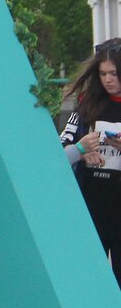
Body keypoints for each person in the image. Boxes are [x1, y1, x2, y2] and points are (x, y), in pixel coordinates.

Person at [59, 39, 121, 286]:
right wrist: (80, 150)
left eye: (114, 74)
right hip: (92, 207)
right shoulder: (87, 104)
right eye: (103, 74)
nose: (108, 80)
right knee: (91, 283)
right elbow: (59, 149)